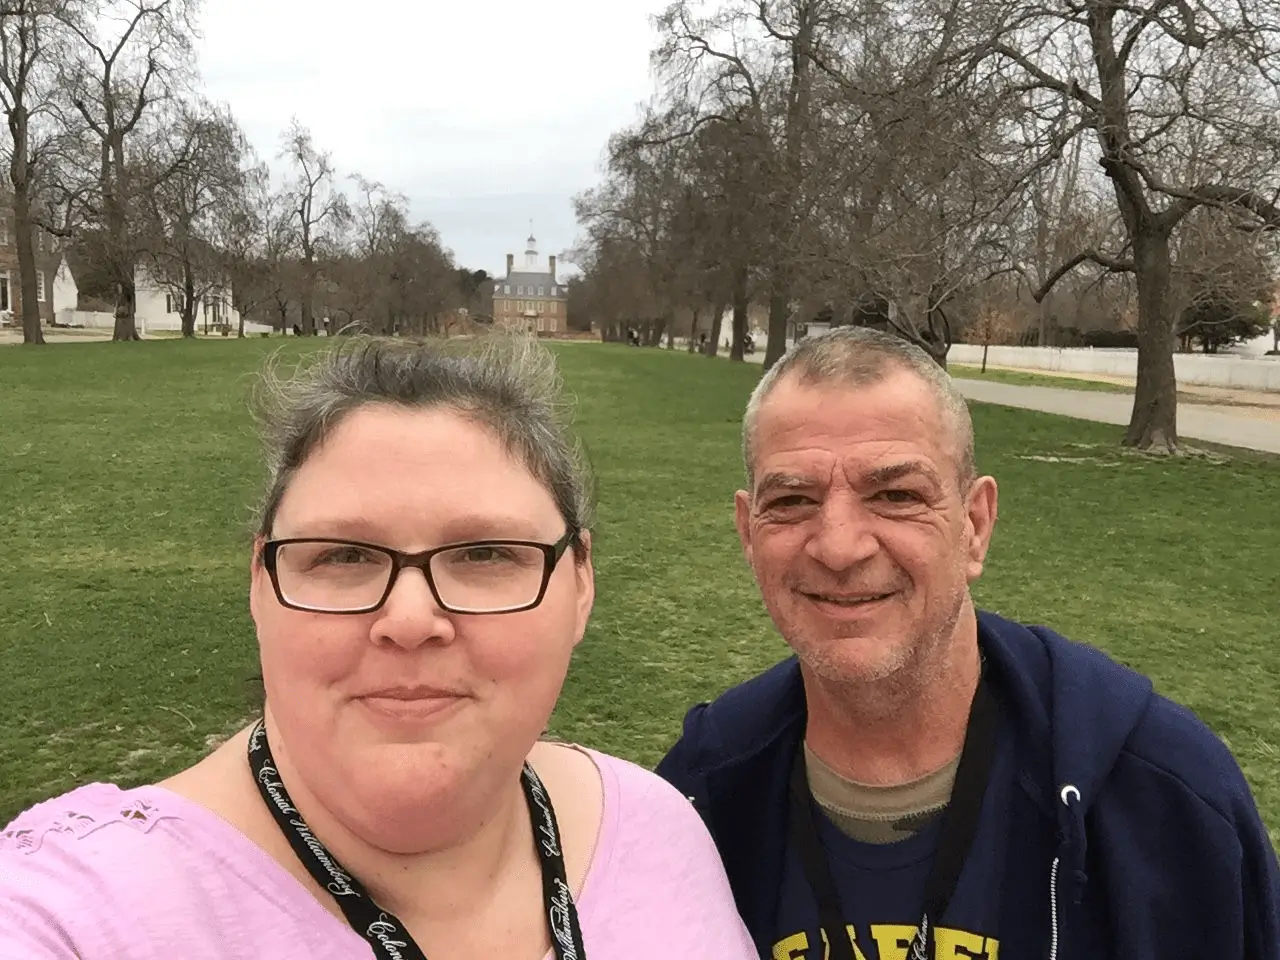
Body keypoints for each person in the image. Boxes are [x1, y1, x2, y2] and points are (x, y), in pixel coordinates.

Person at [0, 334, 757, 959]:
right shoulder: (74, 913)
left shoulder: (659, 830)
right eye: (343, 556)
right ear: (260, 581)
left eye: (485, 554)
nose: (409, 618)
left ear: (582, 583)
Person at [656, 326, 1280, 959]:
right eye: (791, 500)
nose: (839, 547)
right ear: (747, 532)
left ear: (975, 526)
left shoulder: (1167, 804)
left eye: (896, 495)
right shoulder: (695, 802)